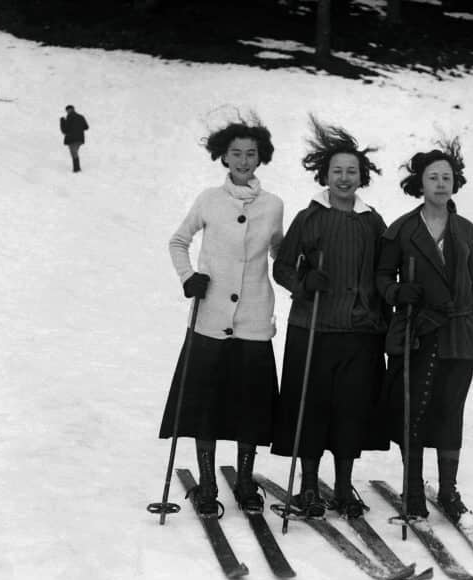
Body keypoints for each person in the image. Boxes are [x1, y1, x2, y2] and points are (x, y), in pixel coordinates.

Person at [159, 115, 284, 517]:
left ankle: (246, 481)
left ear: (260, 157)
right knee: (206, 403)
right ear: (224, 157)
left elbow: (280, 253)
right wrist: (189, 276)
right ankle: (208, 482)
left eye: (251, 154)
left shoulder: (273, 205)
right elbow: (179, 241)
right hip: (210, 317)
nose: (244, 161)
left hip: (253, 318)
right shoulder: (208, 199)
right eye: (236, 154)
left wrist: (300, 261)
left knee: (251, 403)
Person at [271, 115, 390, 519]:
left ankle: (342, 486)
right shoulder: (309, 217)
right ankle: (307, 486)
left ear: (362, 177)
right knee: (312, 407)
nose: (344, 178)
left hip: (361, 332)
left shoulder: (373, 221)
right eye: (337, 171)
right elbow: (282, 267)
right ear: (325, 174)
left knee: (351, 409)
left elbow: (384, 274)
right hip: (314, 327)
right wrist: (305, 282)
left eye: (351, 171)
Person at [375, 138, 473, 522]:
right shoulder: (401, 229)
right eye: (433, 177)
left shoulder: (466, 230)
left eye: (447, 177)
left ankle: (448, 491)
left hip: (460, 333)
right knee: (415, 410)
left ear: (454, 183)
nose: (441, 184)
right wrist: (398, 291)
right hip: (419, 331)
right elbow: (381, 276)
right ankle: (413, 491)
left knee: (451, 411)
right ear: (421, 183)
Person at [59, 105, 89, 172]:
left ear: (69, 110)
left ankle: (77, 169)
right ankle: (77, 169)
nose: (67, 112)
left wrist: (62, 121)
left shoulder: (69, 117)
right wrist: (78, 127)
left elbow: (65, 130)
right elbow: (86, 127)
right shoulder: (81, 117)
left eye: (67, 110)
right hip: (80, 139)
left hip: (72, 139)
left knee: (74, 153)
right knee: (75, 153)